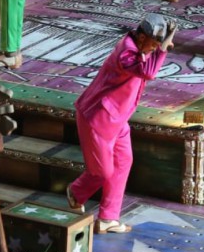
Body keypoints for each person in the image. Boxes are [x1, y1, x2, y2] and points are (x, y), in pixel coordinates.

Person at [66, 14, 175, 233]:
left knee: (124, 161)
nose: (155, 48)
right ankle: (76, 192)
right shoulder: (126, 52)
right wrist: (163, 49)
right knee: (102, 172)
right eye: (153, 43)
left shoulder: (139, 46)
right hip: (97, 120)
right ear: (142, 37)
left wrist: (166, 38)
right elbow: (148, 72)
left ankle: (108, 217)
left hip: (118, 119)